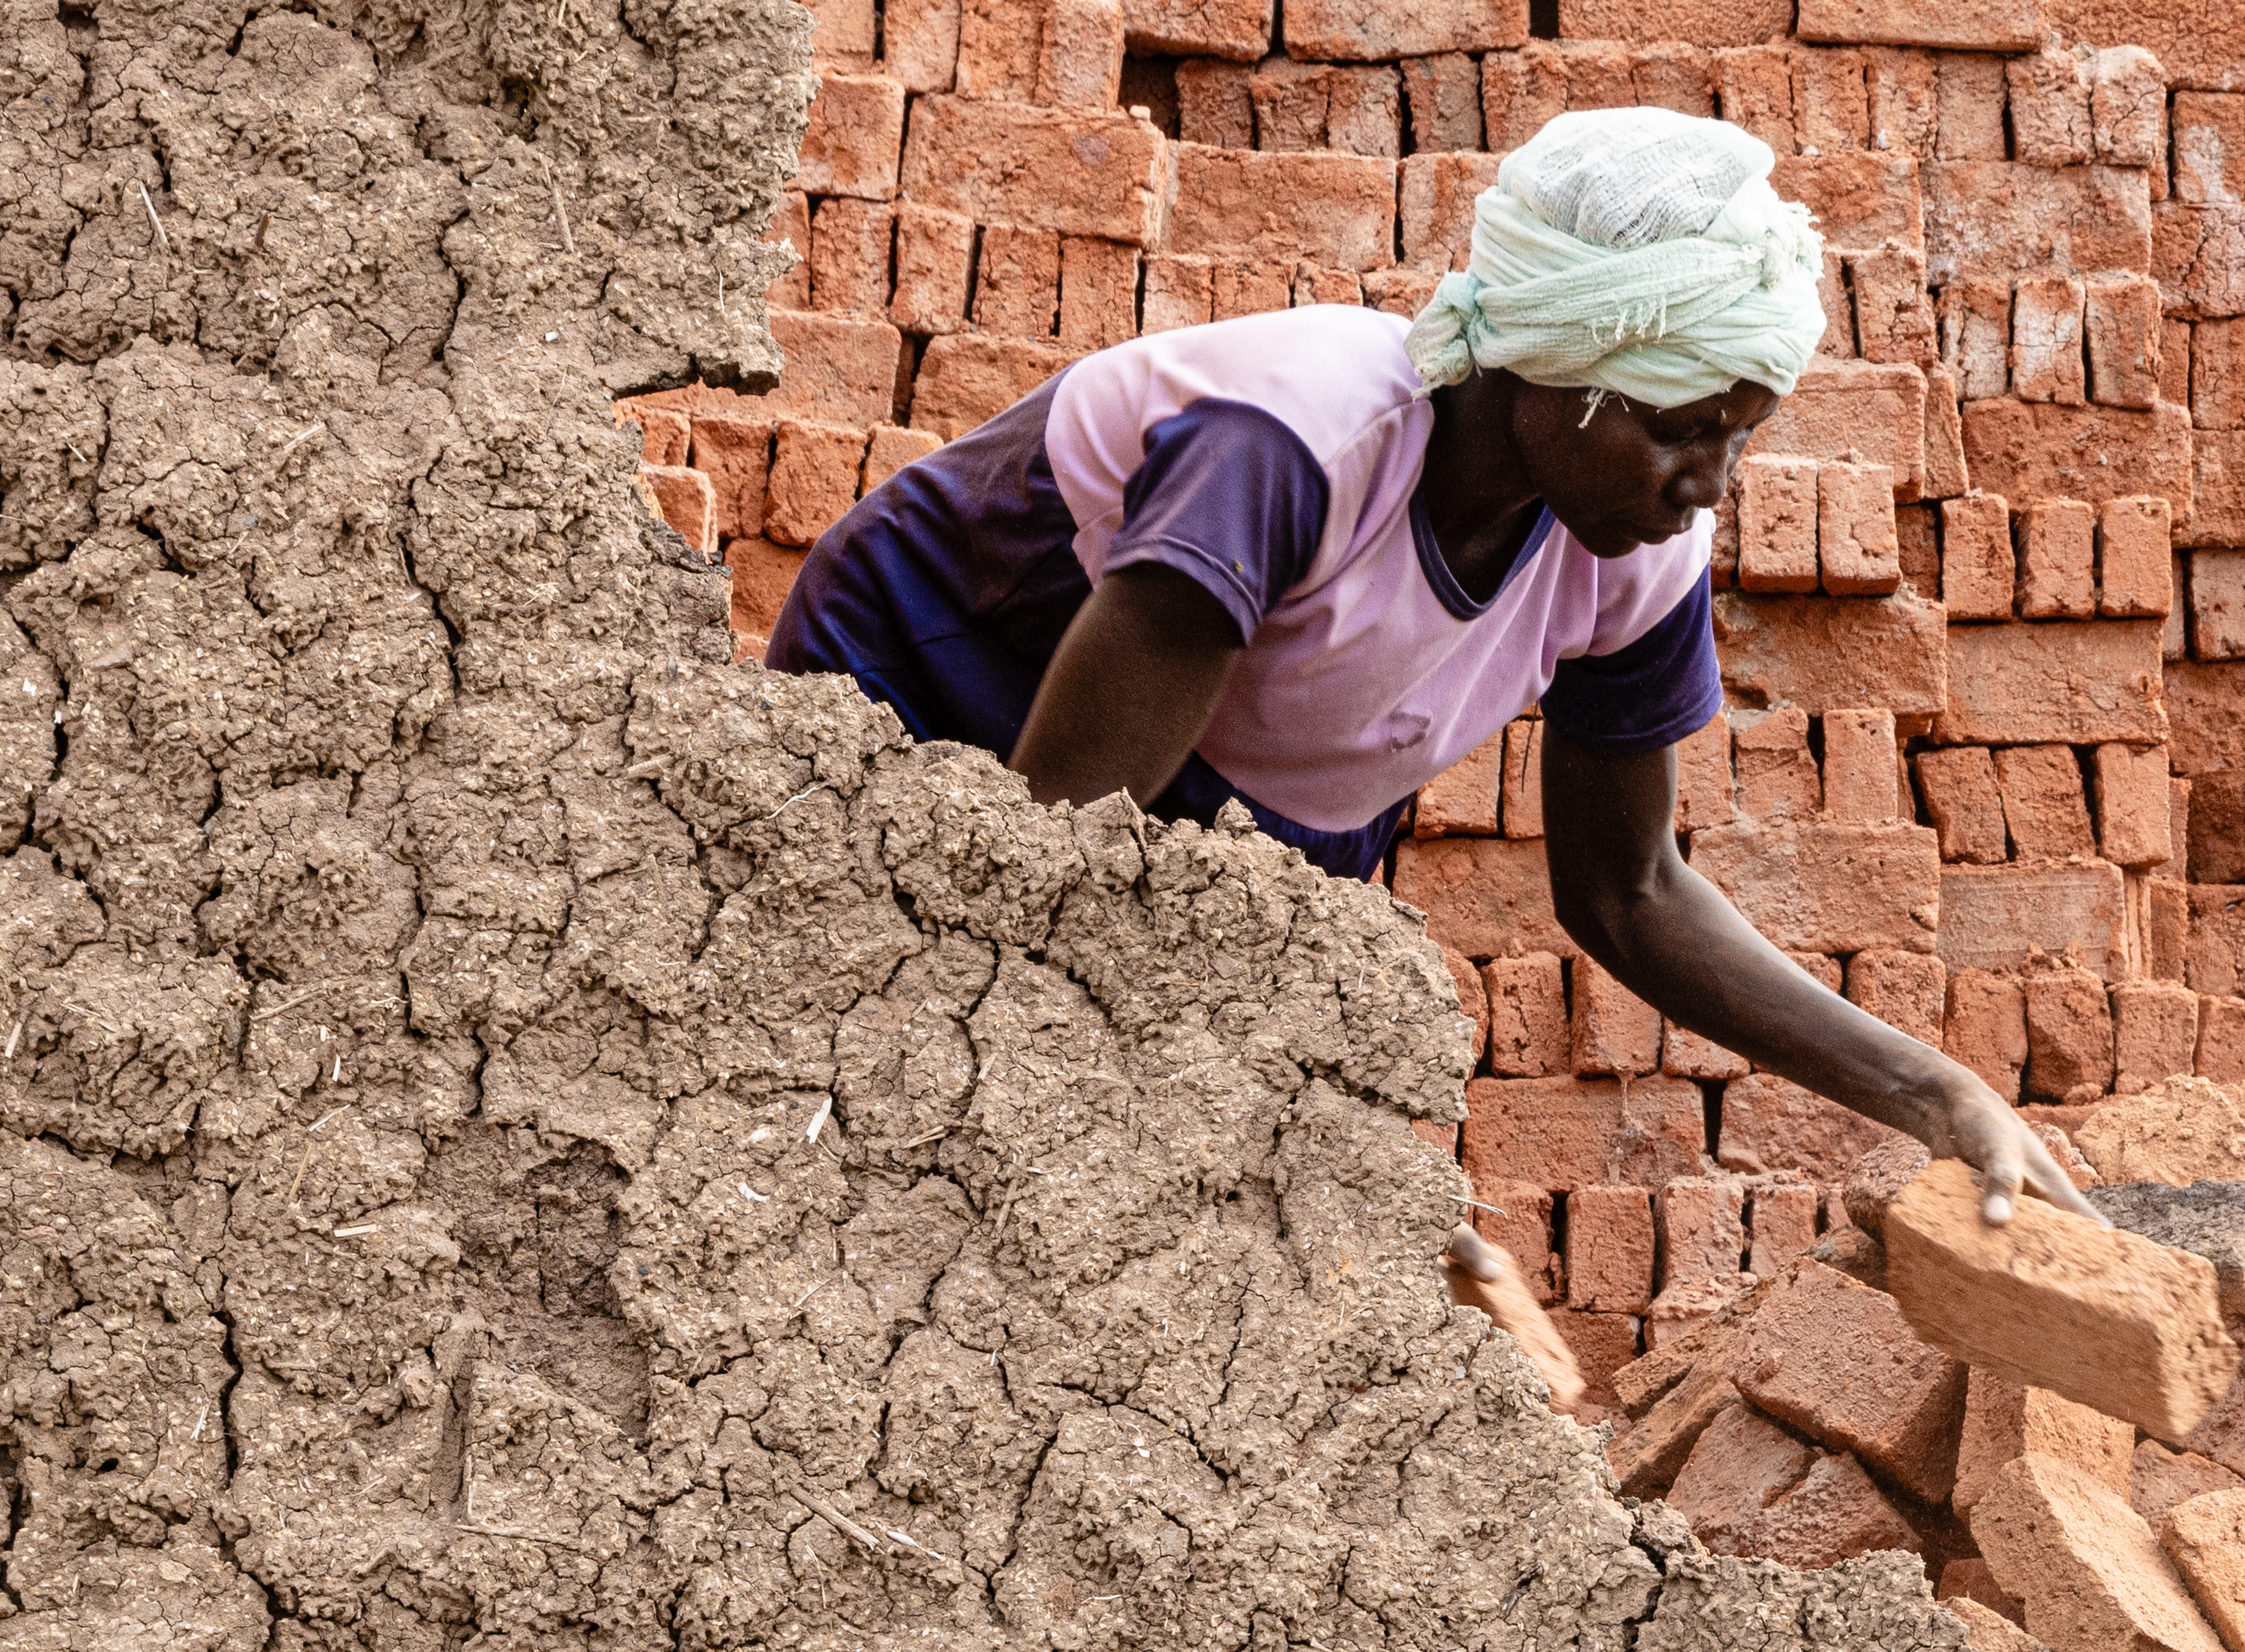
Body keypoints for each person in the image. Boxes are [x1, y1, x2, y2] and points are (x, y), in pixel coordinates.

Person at [763, 103, 2080, 1261]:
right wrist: (1291, 1138)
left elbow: (1631, 889)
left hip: (1244, 803)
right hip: (958, 688)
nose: (1710, 487)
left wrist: (1937, 1096)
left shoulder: (1629, 557)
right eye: (1680, 428)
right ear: (1553, 375)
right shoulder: (1290, 449)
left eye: (1740, 436)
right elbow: (1051, 855)